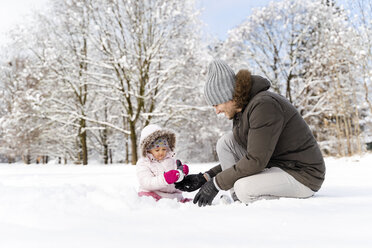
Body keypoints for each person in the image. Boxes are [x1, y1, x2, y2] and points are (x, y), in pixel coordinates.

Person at [175, 59, 326, 207]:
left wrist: (216, 184)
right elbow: (246, 157)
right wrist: (206, 177)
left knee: (243, 188)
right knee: (226, 142)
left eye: (217, 104)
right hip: (277, 165)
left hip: (302, 175)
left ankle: (244, 199)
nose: (217, 111)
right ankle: (239, 201)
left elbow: (255, 160)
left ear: (227, 96)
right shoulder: (242, 111)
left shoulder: (264, 106)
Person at [136, 124, 191, 202]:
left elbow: (177, 181)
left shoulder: (171, 160)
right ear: (148, 150)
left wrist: (181, 173)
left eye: (164, 149)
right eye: (157, 150)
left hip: (172, 196)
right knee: (149, 200)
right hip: (153, 195)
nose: (161, 153)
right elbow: (146, 182)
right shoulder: (144, 163)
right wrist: (165, 179)